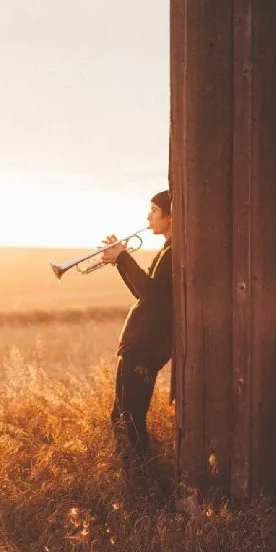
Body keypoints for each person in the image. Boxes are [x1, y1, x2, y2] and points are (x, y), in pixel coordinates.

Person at [101, 191, 172, 458]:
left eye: (154, 210)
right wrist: (119, 261)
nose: (148, 216)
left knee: (129, 421)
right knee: (121, 418)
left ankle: (141, 480)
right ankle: (134, 476)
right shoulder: (167, 251)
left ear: (171, 215)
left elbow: (151, 295)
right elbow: (144, 293)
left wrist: (123, 257)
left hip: (144, 349)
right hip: (139, 347)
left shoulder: (173, 253)